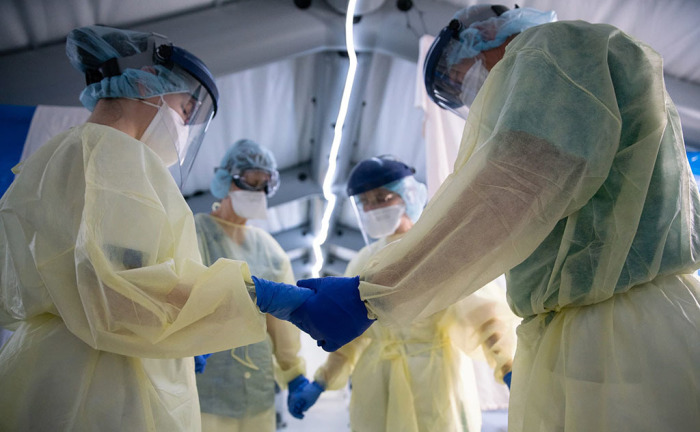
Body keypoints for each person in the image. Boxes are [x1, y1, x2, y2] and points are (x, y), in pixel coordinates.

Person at [254, 4, 700, 431]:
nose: (471, 95)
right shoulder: (567, 67)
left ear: (483, 36)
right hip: (599, 325)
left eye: (456, 78)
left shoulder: (554, 50)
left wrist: (368, 296)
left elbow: (512, 189)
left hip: (615, 332)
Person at [0, 25, 310, 432]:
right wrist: (256, 296)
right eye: (185, 110)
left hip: (78, 371)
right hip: (95, 386)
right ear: (146, 82)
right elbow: (117, 296)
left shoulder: (81, 152)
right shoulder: (109, 155)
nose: (183, 126)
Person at [287, 156, 517, 432]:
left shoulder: (437, 251)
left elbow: (482, 316)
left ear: (408, 196)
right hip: (376, 386)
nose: (373, 208)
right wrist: (321, 382)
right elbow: (349, 337)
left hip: (435, 384)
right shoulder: (363, 262)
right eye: (366, 203)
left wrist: (508, 366)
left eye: (383, 198)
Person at [193, 139, 309, 432]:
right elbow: (180, 297)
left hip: (258, 389)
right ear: (225, 180)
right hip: (206, 387)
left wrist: (293, 372)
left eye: (264, 184)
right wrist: (185, 345)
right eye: (249, 181)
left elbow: (283, 321)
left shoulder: (270, 249)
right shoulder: (196, 232)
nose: (257, 192)